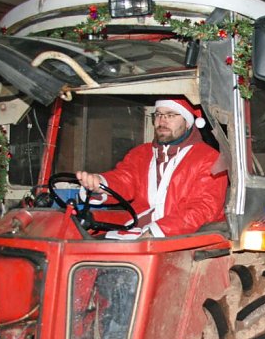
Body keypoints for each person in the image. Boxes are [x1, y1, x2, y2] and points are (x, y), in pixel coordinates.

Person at [76, 98, 227, 238]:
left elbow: (204, 208)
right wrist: (101, 183)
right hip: (135, 230)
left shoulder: (209, 158)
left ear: (188, 122)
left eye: (170, 115)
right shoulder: (141, 153)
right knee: (72, 225)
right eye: (159, 114)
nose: (162, 120)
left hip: (181, 238)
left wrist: (157, 232)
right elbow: (124, 179)